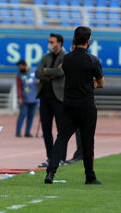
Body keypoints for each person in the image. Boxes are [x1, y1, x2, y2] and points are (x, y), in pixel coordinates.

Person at [44, 26, 104, 185]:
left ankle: (50, 172)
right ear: (88, 40)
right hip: (86, 105)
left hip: (68, 103)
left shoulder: (67, 59)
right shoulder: (93, 60)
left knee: (62, 137)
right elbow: (101, 83)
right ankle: (89, 176)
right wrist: (91, 84)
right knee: (87, 141)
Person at [35, 33, 67, 167]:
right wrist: (51, 73)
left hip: (59, 98)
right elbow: (37, 72)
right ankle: (50, 157)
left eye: (52, 42)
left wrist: (46, 71)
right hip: (45, 98)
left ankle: (60, 158)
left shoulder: (65, 56)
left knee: (62, 130)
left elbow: (61, 73)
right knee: (46, 130)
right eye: (49, 41)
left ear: (59, 43)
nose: (49, 44)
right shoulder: (45, 56)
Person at [15, 59, 39, 137]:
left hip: (35, 97)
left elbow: (42, 80)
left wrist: (40, 82)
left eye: (21, 67)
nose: (20, 69)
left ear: (25, 65)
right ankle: (18, 131)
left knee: (31, 116)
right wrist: (19, 98)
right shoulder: (19, 75)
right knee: (22, 114)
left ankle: (27, 132)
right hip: (25, 98)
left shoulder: (35, 71)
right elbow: (19, 87)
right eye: (19, 68)